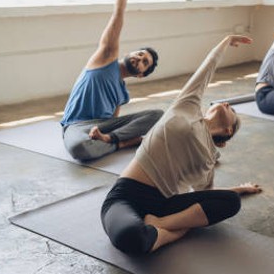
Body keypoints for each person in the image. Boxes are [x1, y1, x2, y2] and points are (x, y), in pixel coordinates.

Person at [101, 34, 262, 255]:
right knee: (129, 237)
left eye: (231, 110)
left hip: (165, 205)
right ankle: (168, 230)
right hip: (127, 194)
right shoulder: (188, 106)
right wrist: (225, 42)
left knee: (231, 201)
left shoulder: (208, 160)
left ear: (228, 131)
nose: (225, 103)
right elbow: (206, 70)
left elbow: (207, 196)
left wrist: (240, 190)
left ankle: (162, 225)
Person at [60, 0, 163, 161]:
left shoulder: (122, 95)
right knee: (80, 149)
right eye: (140, 54)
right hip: (77, 126)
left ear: (141, 75)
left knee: (158, 115)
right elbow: (119, 12)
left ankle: (112, 141)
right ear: (130, 53)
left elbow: (113, 121)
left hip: (104, 128)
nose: (139, 59)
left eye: (145, 63)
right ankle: (122, 144)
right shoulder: (105, 58)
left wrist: (109, 135)